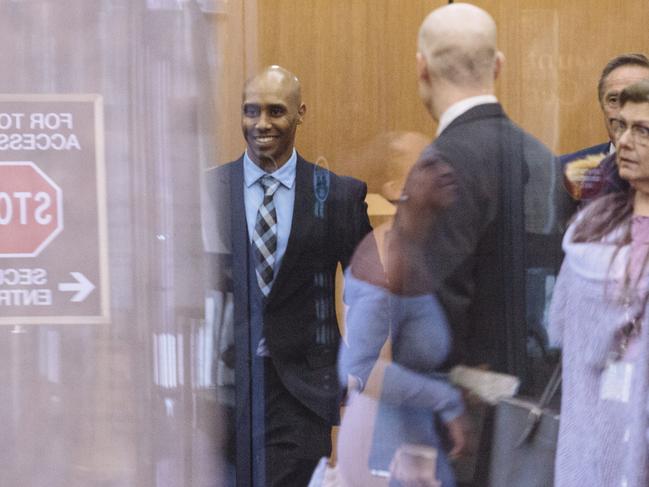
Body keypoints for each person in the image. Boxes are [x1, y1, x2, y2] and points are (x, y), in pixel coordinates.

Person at [204, 65, 372, 487]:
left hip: (302, 391)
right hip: (223, 391)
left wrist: (358, 366)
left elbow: (371, 289)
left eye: (276, 111)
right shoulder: (206, 191)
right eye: (251, 111)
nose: (261, 124)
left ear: (300, 113)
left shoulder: (336, 195)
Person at [409, 3, 567, 378]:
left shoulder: (437, 166)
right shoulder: (544, 158)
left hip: (461, 412)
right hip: (534, 401)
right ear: (498, 65)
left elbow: (430, 315)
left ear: (422, 67)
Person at [337, 146, 468, 487]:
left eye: (443, 158)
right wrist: (446, 400)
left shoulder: (415, 250)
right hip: (383, 448)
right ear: (398, 188)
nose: (444, 170)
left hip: (408, 439)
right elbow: (359, 369)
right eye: (427, 164)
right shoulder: (389, 258)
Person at [548, 80, 649, 486]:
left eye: (642, 130)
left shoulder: (590, 227)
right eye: (621, 126)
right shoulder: (590, 225)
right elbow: (561, 327)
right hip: (596, 434)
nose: (624, 141)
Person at [562, 53, 649, 202]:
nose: (624, 110)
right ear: (602, 106)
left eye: (637, 99)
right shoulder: (564, 173)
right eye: (614, 99)